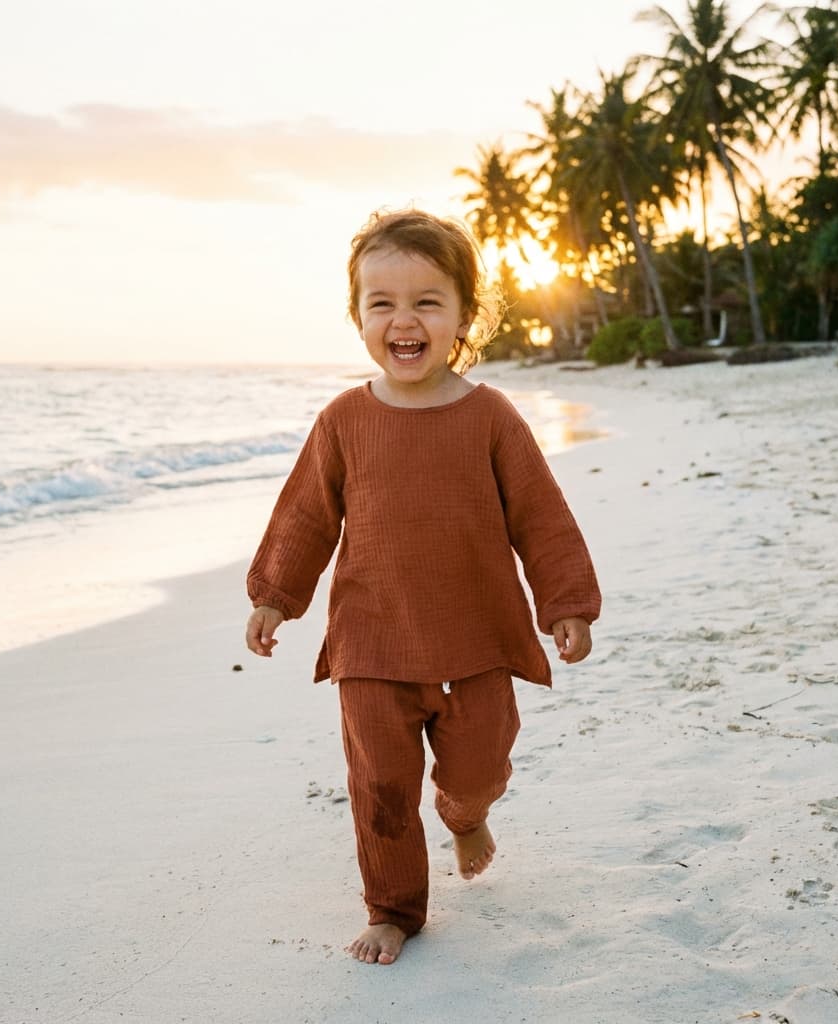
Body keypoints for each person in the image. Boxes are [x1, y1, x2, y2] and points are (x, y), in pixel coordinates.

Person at [245, 208, 601, 966]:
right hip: (372, 642)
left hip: (475, 637)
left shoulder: (491, 417)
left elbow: (540, 516)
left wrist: (566, 603)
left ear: (465, 315)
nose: (404, 320)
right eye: (383, 303)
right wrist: (274, 593)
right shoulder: (343, 419)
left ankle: (466, 814)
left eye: (426, 302)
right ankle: (394, 909)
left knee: (480, 765)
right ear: (358, 317)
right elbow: (306, 515)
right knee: (379, 786)